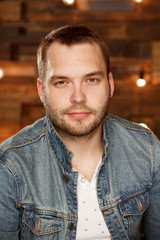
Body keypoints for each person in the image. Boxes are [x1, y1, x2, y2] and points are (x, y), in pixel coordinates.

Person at [0, 25, 160, 240]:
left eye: (91, 80)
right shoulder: (9, 166)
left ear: (110, 84)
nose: (78, 97)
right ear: (41, 90)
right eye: (62, 82)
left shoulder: (147, 149)